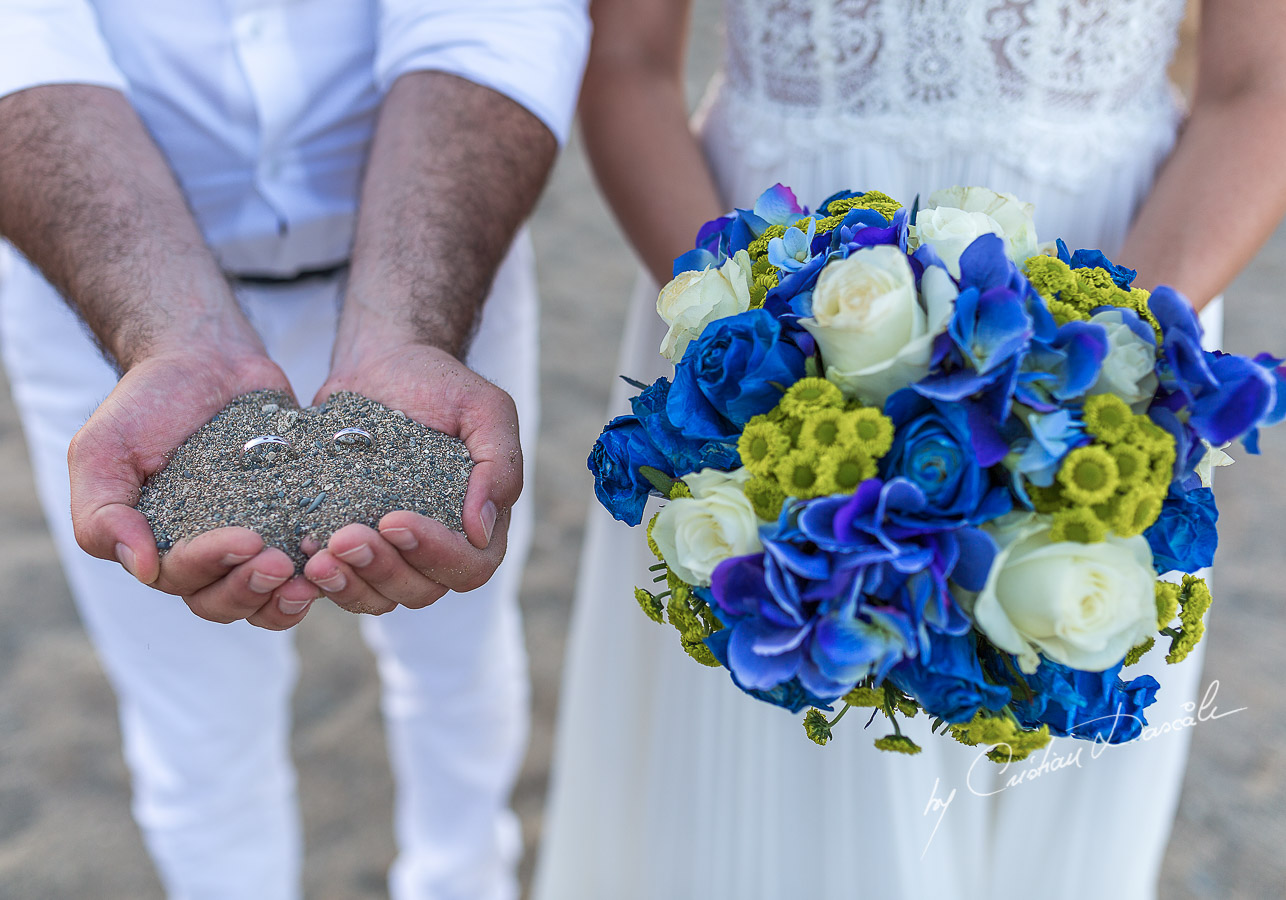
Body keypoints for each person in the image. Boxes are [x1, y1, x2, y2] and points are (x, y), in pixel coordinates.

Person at [534, 1, 1286, 898]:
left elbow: (1256, 82)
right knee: (783, 774)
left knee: (1053, 720)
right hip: (778, 298)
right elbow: (627, 60)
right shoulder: (765, 337)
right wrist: (758, 351)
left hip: (1128, 270)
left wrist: (1090, 365)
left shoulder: (1109, 341)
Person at [0, 2, 589, 898]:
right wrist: (171, 336)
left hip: (437, 264)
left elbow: (490, 19)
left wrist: (409, 328)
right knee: (194, 724)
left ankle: (463, 874)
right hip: (107, 304)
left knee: (459, 659)